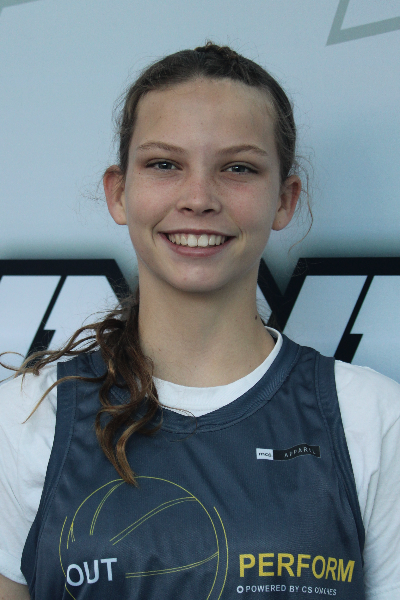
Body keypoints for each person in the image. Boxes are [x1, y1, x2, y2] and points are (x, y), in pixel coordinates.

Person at [0, 42, 399, 600]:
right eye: (165, 164)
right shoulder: (24, 418)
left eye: (238, 168)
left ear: (284, 200)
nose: (198, 198)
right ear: (119, 192)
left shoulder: (374, 418)